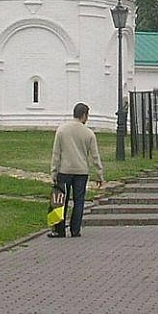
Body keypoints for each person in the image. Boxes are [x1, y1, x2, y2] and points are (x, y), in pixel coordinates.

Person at [49, 102, 104, 238]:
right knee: (79, 200)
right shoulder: (89, 133)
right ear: (84, 115)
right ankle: (75, 230)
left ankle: (59, 230)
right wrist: (99, 174)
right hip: (81, 171)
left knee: (61, 200)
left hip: (65, 170)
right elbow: (95, 156)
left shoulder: (62, 130)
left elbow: (57, 153)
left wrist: (54, 171)